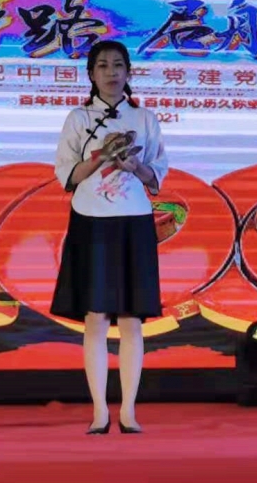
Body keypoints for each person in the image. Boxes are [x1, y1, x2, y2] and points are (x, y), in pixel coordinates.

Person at [50, 40, 168, 435]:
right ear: (91, 74)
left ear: (129, 72)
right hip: (92, 220)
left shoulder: (145, 118)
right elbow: (67, 176)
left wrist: (134, 166)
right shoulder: (78, 118)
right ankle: (100, 411)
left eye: (118, 65)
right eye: (102, 65)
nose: (111, 72)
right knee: (95, 317)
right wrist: (100, 157)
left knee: (132, 319)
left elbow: (157, 176)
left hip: (134, 220)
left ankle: (129, 410)